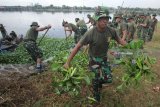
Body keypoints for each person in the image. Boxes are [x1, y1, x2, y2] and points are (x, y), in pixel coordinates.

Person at [63, 11, 126, 102]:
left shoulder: (111, 31)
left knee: (109, 79)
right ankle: (96, 96)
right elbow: (77, 47)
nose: (105, 21)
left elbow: (120, 41)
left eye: (107, 19)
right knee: (95, 78)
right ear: (97, 20)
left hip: (104, 58)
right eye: (102, 19)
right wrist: (67, 62)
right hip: (94, 60)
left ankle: (98, 83)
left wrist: (131, 48)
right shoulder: (90, 33)